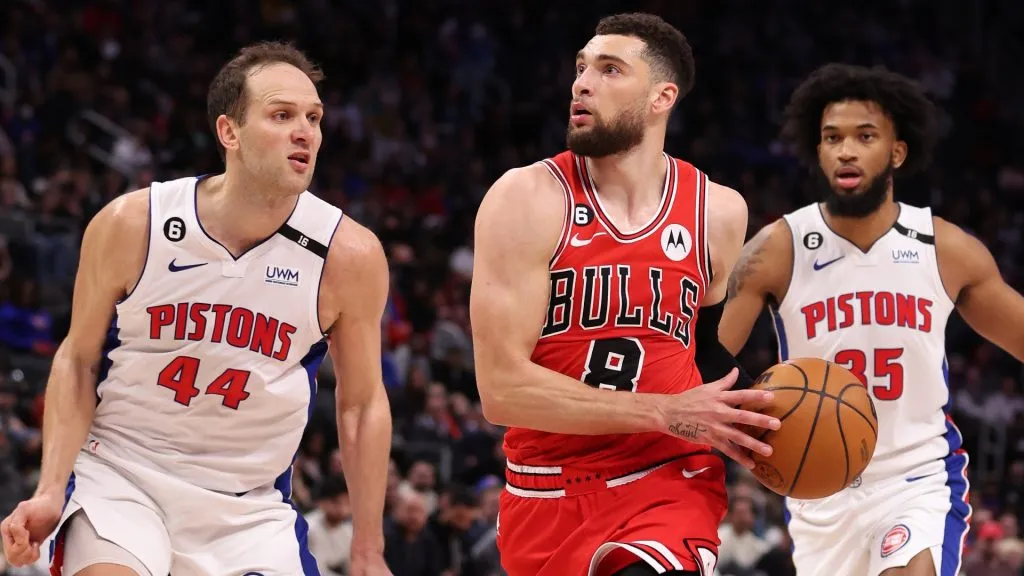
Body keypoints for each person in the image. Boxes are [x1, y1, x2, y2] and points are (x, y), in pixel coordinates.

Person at [0, 42, 394, 576]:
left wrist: (368, 548)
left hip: (247, 509)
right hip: (122, 477)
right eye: (282, 115)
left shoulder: (348, 255)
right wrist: (50, 489)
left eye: (313, 117)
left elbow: (362, 404)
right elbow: (77, 359)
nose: (305, 132)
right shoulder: (132, 224)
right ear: (229, 132)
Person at [470, 13, 781, 576]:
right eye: (581, 68)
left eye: (610, 70)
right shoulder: (527, 198)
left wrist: (770, 419)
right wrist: (665, 411)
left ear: (663, 97)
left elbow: (704, 351)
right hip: (545, 490)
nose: (582, 84)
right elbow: (501, 390)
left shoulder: (717, 211)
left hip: (669, 479)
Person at [719, 63, 1024, 576]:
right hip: (818, 486)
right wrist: (747, 420)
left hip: (916, 477)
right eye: (832, 137)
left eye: (865, 136)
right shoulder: (777, 248)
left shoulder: (944, 248)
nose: (846, 150)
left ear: (897, 152)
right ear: (817, 150)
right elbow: (705, 362)